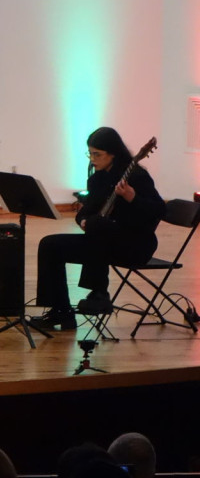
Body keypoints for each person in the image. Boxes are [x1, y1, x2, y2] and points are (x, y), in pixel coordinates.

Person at [30, 127, 165, 331]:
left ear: (113, 153)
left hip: (135, 244)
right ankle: (61, 312)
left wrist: (131, 197)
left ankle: (99, 293)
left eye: (97, 154)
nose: (92, 159)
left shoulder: (136, 176)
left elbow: (158, 210)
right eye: (90, 153)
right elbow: (84, 213)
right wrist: (83, 221)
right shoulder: (98, 179)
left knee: (99, 227)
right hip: (102, 245)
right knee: (50, 245)